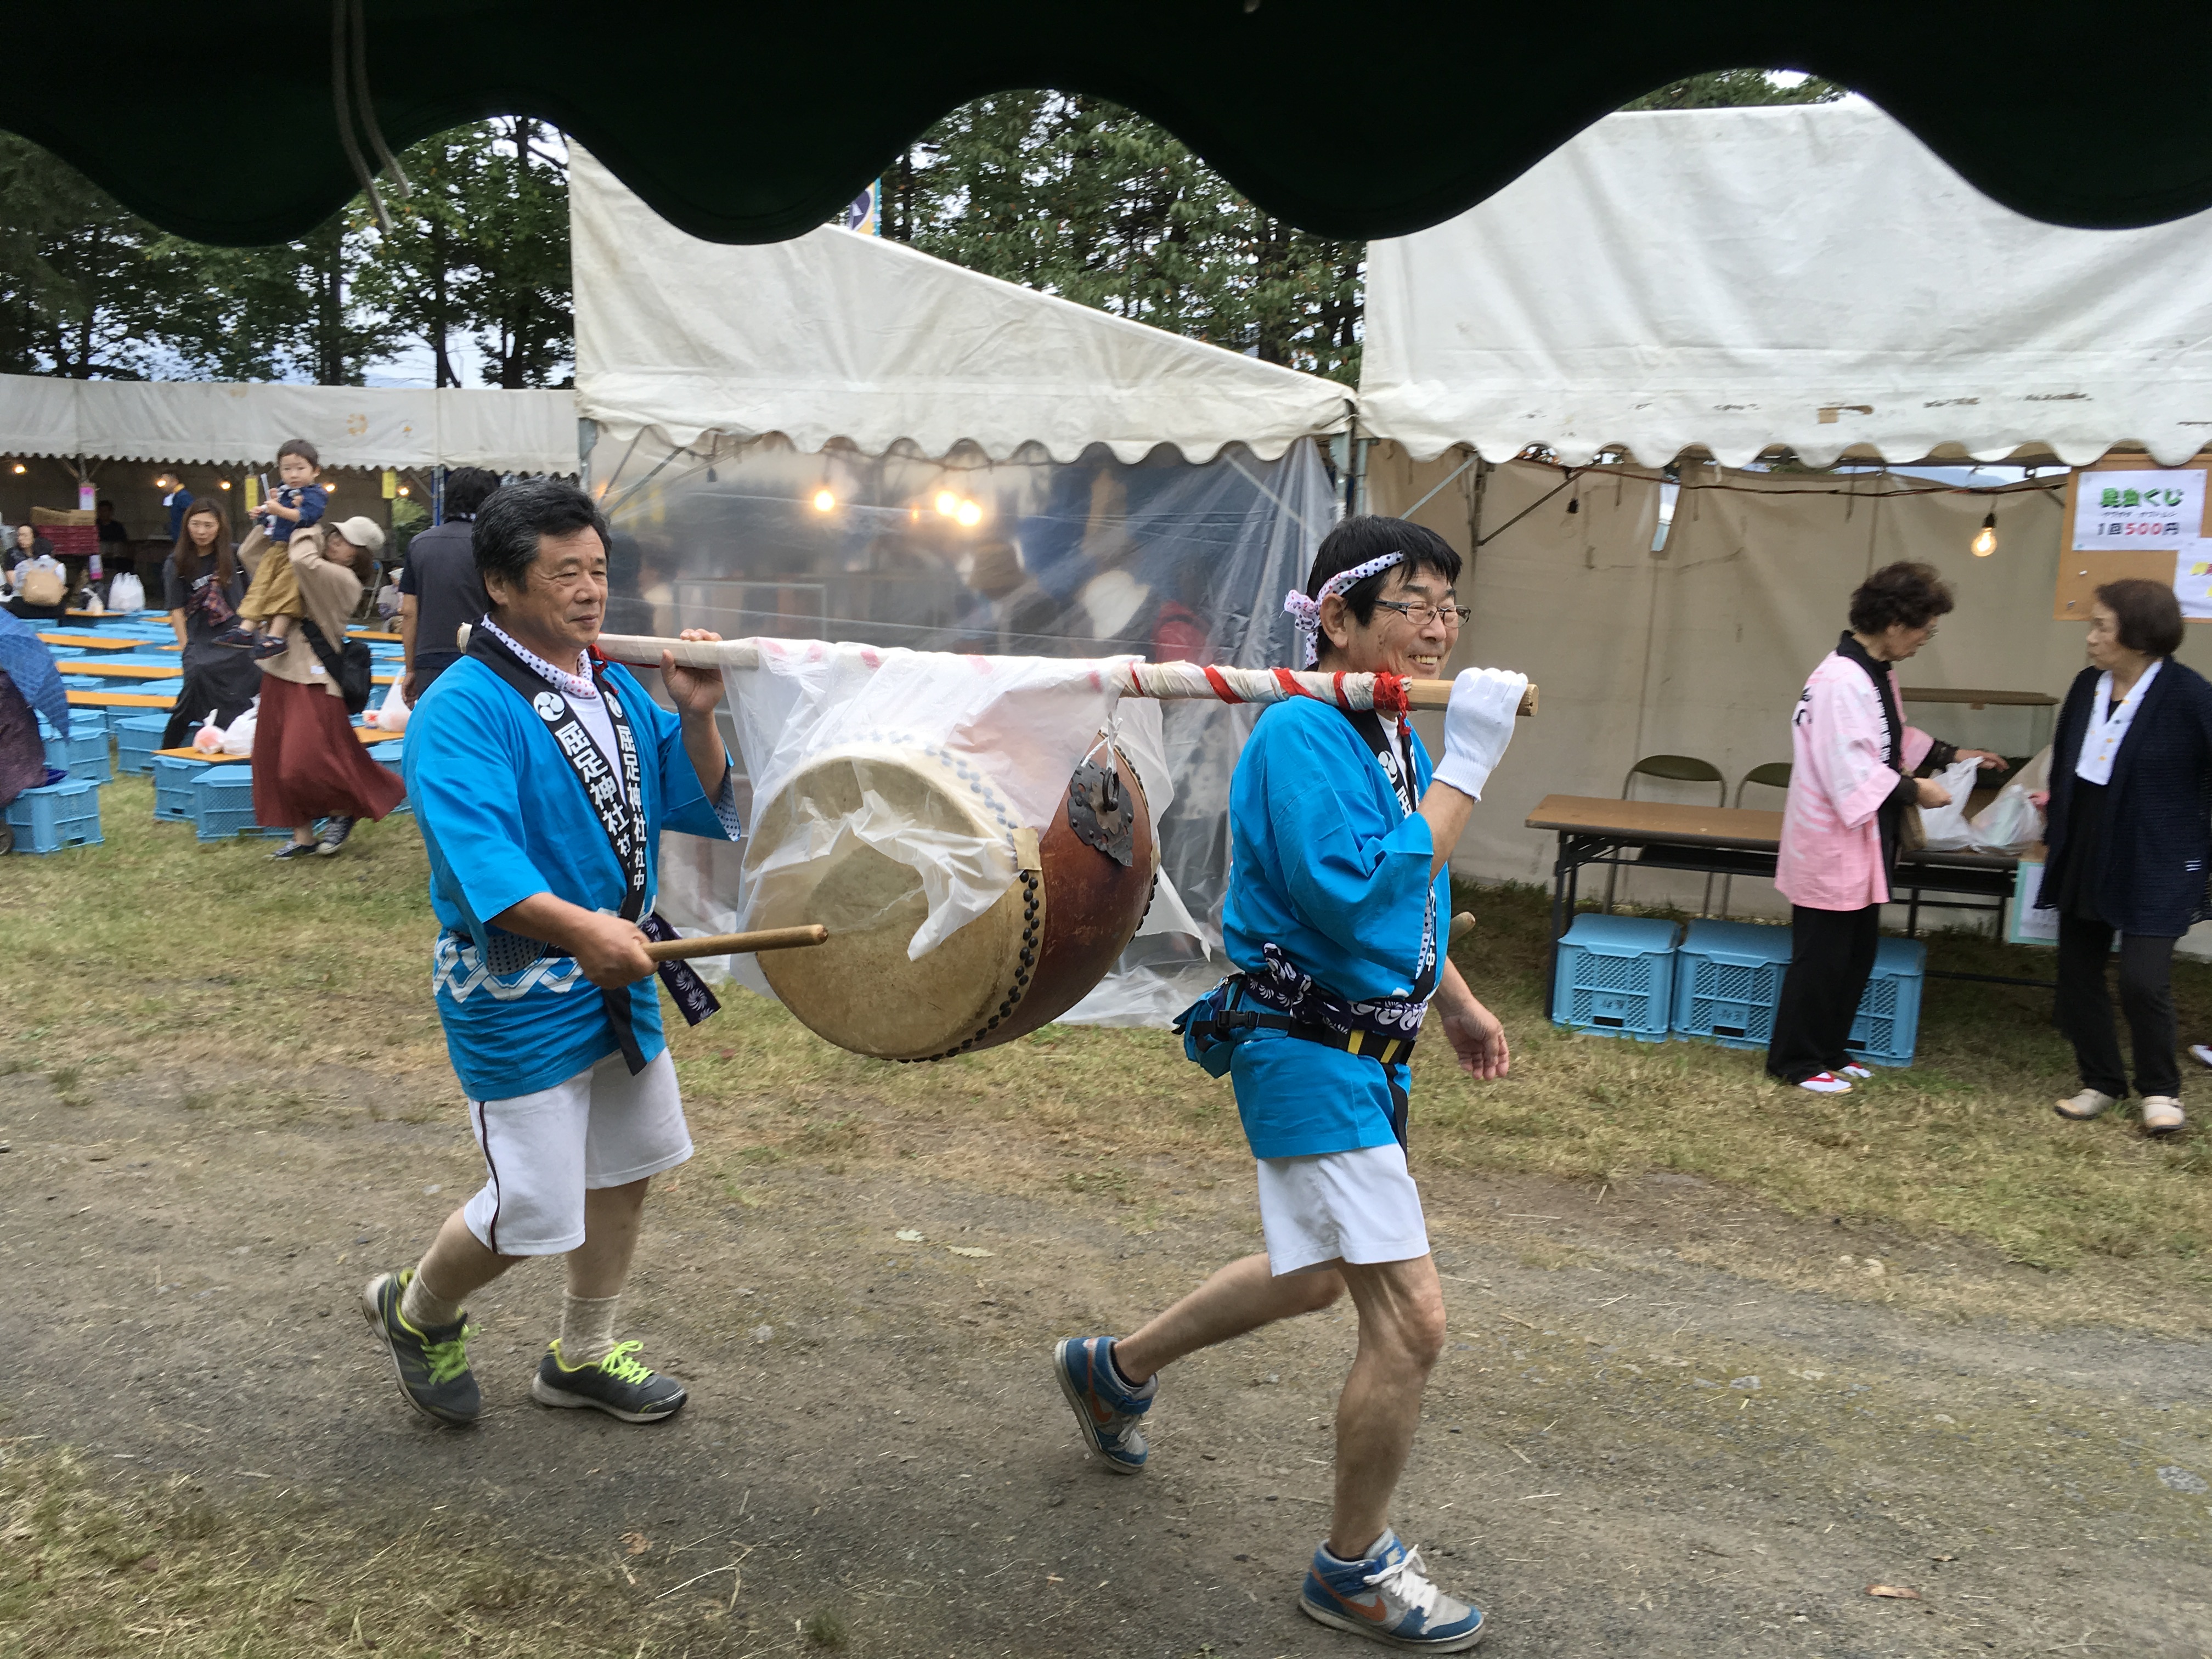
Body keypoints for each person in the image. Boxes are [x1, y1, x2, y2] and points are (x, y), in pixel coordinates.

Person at [1051, 516, 1523, 1653]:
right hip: (1306, 1051)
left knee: (1314, 1278)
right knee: (1411, 1322)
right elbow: (1360, 892)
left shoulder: (1377, 734)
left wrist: (1452, 999)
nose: (1439, 626)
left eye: (1451, 605)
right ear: (1341, 617)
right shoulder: (1306, 733)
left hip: (1357, 1052)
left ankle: (1115, 1371)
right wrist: (1471, 767)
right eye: (1413, 603)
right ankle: (1353, 1567)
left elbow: (1404, 883)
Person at [359, 477, 741, 1430]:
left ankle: (580, 1351)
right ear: (499, 582)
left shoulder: (611, 685)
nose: (587, 588)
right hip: (516, 981)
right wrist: (586, 930)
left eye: (598, 568)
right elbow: (479, 859)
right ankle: (419, 1309)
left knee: (625, 1166)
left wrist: (693, 715)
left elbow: (687, 802)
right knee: (531, 1200)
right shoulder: (462, 707)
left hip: (618, 967)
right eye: (562, 570)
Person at [1766, 562, 2005, 1095]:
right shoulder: (1839, 680)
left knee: (1854, 956)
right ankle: (1796, 1061)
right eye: (1926, 628)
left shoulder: (1872, 671)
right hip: (1829, 841)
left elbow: (1891, 738)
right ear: (1896, 622)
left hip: (1858, 842)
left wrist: (1953, 755)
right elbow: (1849, 765)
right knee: (1822, 959)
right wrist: (1919, 789)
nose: (1926, 639)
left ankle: (1829, 1048)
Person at [2036, 579, 2212, 1135]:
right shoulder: (2088, 684)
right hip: (2087, 841)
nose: (2090, 639)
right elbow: (2068, 756)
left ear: (2139, 639)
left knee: (2143, 979)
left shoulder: (2190, 695)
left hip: (2159, 851)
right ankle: (2101, 1081)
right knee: (2077, 971)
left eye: (2102, 628)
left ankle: (2161, 1091)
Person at [249, 515, 405, 860]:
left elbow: (302, 559)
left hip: (315, 677)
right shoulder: (314, 566)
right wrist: (270, 523)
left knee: (302, 761)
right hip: (280, 668)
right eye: (335, 534)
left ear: (357, 555)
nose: (334, 540)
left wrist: (301, 523)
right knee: (273, 758)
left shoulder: (343, 579)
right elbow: (252, 557)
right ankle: (303, 836)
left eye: (345, 540)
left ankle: (343, 809)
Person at [160, 499, 262, 749]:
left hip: (239, 637)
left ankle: (238, 745)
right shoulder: (177, 562)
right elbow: (176, 610)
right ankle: (168, 751)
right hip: (203, 641)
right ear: (187, 526)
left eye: (208, 525)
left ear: (220, 527)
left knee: (249, 686)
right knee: (194, 684)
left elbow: (256, 593)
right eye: (196, 525)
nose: (202, 532)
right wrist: (187, 649)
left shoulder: (236, 555)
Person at [398, 466, 499, 700]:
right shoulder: (492, 546)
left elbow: (409, 613)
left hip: (429, 660)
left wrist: (411, 669)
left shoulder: (419, 544)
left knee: (437, 730)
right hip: (485, 655)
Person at [235, 438, 329, 661]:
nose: (293, 474)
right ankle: (246, 629)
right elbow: (273, 520)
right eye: (287, 469)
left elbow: (303, 517)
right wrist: (263, 513)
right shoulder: (284, 492)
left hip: (297, 549)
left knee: (285, 591)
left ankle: (276, 636)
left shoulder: (315, 494)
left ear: (315, 471)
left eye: (300, 468)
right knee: (260, 585)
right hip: (277, 548)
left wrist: (278, 510)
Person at [4, 525, 66, 619]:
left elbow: (17, 586)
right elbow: (61, 584)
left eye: (25, 535)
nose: (20, 539)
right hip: (52, 610)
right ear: (52, 552)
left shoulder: (22, 565)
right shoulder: (59, 566)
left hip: (25, 609)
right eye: (19, 535)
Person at [94, 499, 133, 580]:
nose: (103, 514)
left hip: (115, 558)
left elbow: (123, 543)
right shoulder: (94, 526)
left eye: (105, 511)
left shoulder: (117, 526)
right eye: (101, 511)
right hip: (98, 557)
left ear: (111, 512)